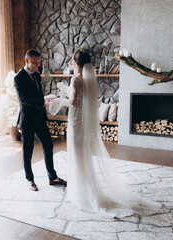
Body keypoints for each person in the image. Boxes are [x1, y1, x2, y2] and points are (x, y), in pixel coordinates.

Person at [50, 50, 161, 217]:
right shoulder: (89, 79)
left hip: (76, 120)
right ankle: (84, 187)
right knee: (82, 153)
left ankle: (81, 193)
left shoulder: (75, 79)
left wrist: (59, 99)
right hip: (83, 120)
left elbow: (73, 101)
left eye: (73, 61)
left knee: (76, 153)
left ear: (76, 63)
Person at [14, 49, 67, 191]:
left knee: (48, 145)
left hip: (39, 117)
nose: (37, 65)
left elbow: (38, 96)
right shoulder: (18, 78)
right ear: (26, 61)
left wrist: (46, 103)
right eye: (34, 62)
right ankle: (30, 179)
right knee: (28, 150)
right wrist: (42, 103)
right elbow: (24, 100)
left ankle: (52, 177)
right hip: (27, 119)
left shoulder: (37, 75)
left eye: (38, 62)